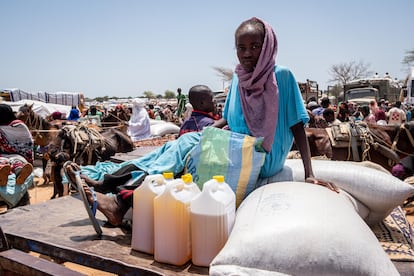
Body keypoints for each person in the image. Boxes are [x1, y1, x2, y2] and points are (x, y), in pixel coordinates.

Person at [65, 17, 338, 226]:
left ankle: (116, 197)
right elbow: (230, 120)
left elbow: (297, 126)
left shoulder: (283, 76)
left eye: (255, 46)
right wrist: (203, 134)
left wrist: (310, 173)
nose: (247, 53)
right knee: (184, 143)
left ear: (267, 46)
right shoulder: (239, 77)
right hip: (236, 144)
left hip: (263, 154)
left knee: (190, 149)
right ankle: (111, 185)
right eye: (241, 48)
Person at [0, 104, 34, 186]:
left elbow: (27, 145)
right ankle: (5, 175)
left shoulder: (18, 125)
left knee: (17, 162)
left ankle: (19, 174)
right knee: (8, 162)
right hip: (8, 156)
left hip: (18, 155)